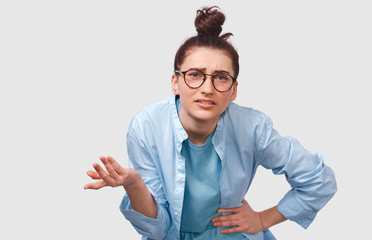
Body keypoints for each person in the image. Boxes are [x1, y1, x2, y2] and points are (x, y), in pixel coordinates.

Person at [84, 6, 337, 240]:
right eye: (195, 75)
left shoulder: (254, 127)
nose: (207, 88)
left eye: (221, 77)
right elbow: (158, 229)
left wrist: (262, 218)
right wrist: (134, 183)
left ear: (234, 90)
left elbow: (319, 182)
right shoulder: (146, 126)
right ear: (176, 82)